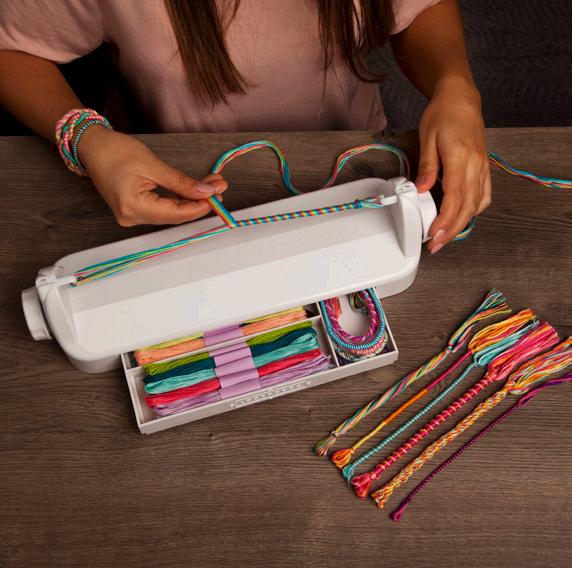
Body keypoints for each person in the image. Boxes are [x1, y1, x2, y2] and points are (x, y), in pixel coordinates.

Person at [0, 0, 490, 253]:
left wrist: (456, 85)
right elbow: (11, 50)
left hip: (355, 161)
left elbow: (420, 7)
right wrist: (86, 138)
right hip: (176, 183)